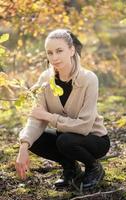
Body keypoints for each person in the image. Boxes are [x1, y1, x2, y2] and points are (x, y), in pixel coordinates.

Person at [15, 28, 110, 190]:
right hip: (65, 136)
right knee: (34, 139)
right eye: (50, 53)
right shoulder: (45, 78)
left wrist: (50, 117)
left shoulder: (89, 79)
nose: (54, 57)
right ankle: (71, 168)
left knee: (65, 140)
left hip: (94, 139)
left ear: (72, 50)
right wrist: (23, 146)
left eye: (59, 51)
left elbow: (84, 126)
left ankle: (94, 167)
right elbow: (37, 117)